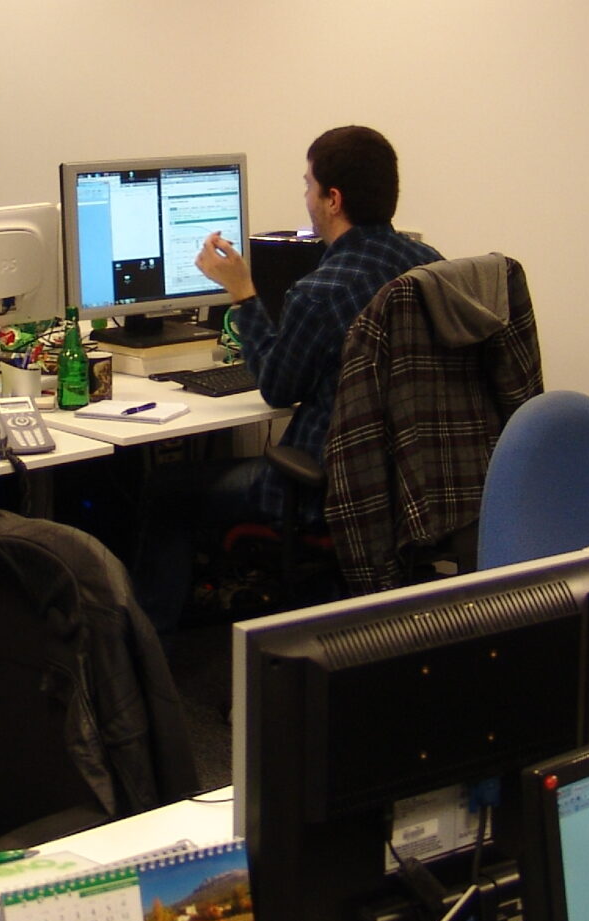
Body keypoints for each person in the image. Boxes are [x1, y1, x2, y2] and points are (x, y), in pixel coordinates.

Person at [131, 125, 440, 631]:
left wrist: (242, 292)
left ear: (332, 199)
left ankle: (149, 656)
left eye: (308, 184)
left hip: (328, 486)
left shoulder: (321, 291)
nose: (306, 196)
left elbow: (278, 387)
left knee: (166, 491)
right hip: (413, 484)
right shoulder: (430, 268)